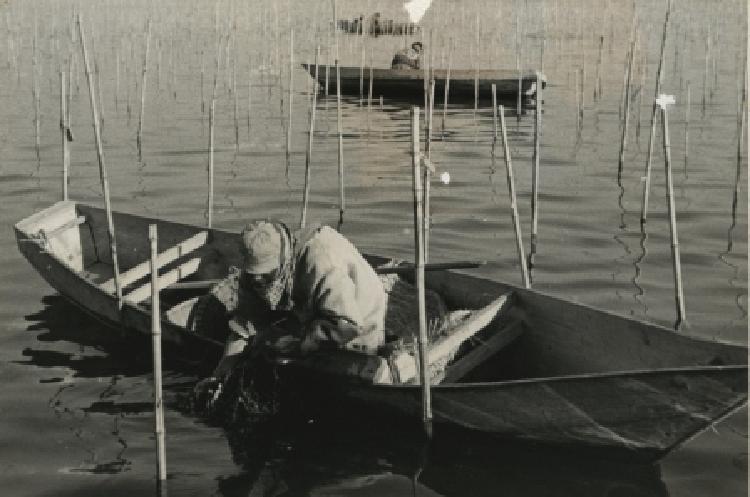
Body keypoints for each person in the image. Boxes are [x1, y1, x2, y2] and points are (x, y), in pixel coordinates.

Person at [194, 220, 387, 400]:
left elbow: (348, 326)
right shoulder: (253, 274)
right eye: (254, 274)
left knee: (351, 370)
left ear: (284, 260)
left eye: (266, 273)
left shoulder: (321, 262)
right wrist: (218, 376)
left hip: (359, 314)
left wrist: (299, 346)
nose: (258, 280)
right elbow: (244, 327)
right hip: (312, 309)